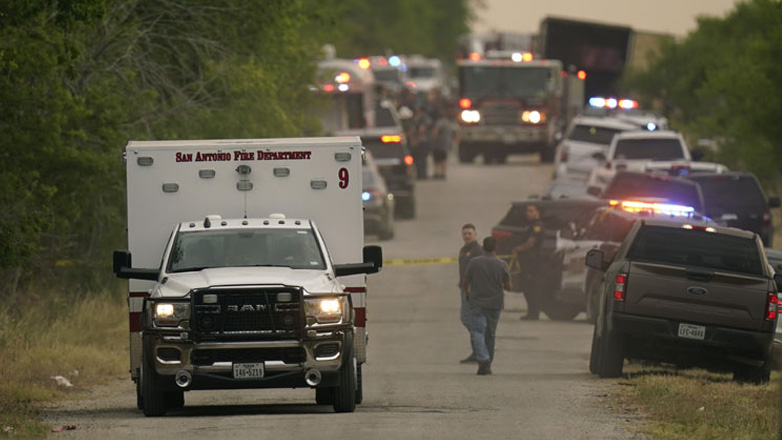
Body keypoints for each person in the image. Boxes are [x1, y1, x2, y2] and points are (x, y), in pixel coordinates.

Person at [463, 236, 511, 375]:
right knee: (491, 333)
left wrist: (467, 294)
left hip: (477, 302)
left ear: (483, 247)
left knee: (477, 331)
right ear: (496, 249)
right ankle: (487, 364)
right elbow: (508, 286)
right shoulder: (502, 264)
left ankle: (482, 358)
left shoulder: (474, 263)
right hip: (495, 304)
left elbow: (465, 281)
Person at [458, 223, 483, 364]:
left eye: (469, 233)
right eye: (464, 233)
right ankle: (477, 350)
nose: (466, 236)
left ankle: (480, 347)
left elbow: (479, 271)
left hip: (472, 289)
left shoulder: (477, 251)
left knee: (468, 319)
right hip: (464, 287)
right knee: (468, 319)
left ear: (475, 235)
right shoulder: (464, 249)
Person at [514, 204, 544, 320]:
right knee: (526, 286)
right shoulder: (529, 225)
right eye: (527, 211)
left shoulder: (537, 226)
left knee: (532, 287)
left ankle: (534, 312)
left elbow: (531, 242)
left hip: (533, 262)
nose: (528, 213)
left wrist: (518, 249)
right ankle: (531, 311)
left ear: (538, 213)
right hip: (526, 261)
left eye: (531, 211)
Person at [431, 104, 456, 179]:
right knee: (444, 159)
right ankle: (443, 173)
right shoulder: (449, 123)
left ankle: (436, 173)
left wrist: (433, 138)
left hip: (438, 144)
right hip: (446, 144)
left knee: (437, 160)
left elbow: (436, 131)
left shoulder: (439, 122)